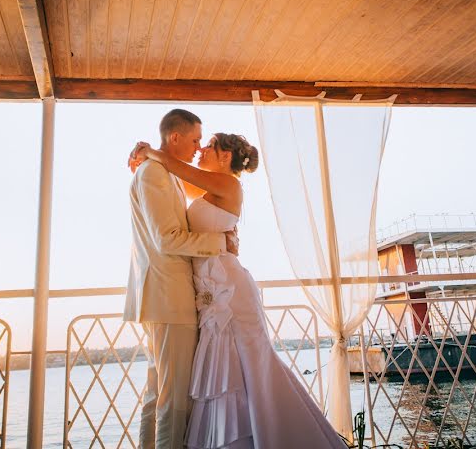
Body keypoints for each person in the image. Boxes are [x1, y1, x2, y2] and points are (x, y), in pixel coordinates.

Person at [131, 132, 347, 449]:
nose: (201, 150)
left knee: (252, 365)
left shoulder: (229, 184)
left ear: (225, 157)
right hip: (209, 290)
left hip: (229, 289)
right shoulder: (206, 186)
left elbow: (174, 165)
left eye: (208, 146)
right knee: (222, 370)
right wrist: (143, 159)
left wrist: (150, 150)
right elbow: (172, 176)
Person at [124, 109, 239, 449]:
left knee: (157, 394)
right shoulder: (154, 175)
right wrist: (220, 243)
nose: (197, 146)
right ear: (175, 138)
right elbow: (167, 238)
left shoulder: (165, 173)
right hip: (168, 298)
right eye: (194, 140)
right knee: (174, 402)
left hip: (161, 297)